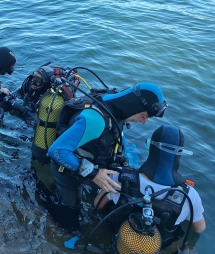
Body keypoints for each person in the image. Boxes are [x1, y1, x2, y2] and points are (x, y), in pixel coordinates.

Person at [47, 82, 167, 231]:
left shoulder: (116, 106)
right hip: (66, 169)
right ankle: (46, 195)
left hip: (91, 160)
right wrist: (93, 174)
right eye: (143, 116)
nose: (144, 122)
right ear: (134, 106)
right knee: (70, 219)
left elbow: (118, 133)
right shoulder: (95, 121)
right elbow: (56, 151)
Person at [93, 125, 205, 248]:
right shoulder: (189, 195)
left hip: (120, 241)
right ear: (180, 154)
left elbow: (97, 205)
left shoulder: (119, 176)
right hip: (156, 250)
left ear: (150, 147)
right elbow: (199, 228)